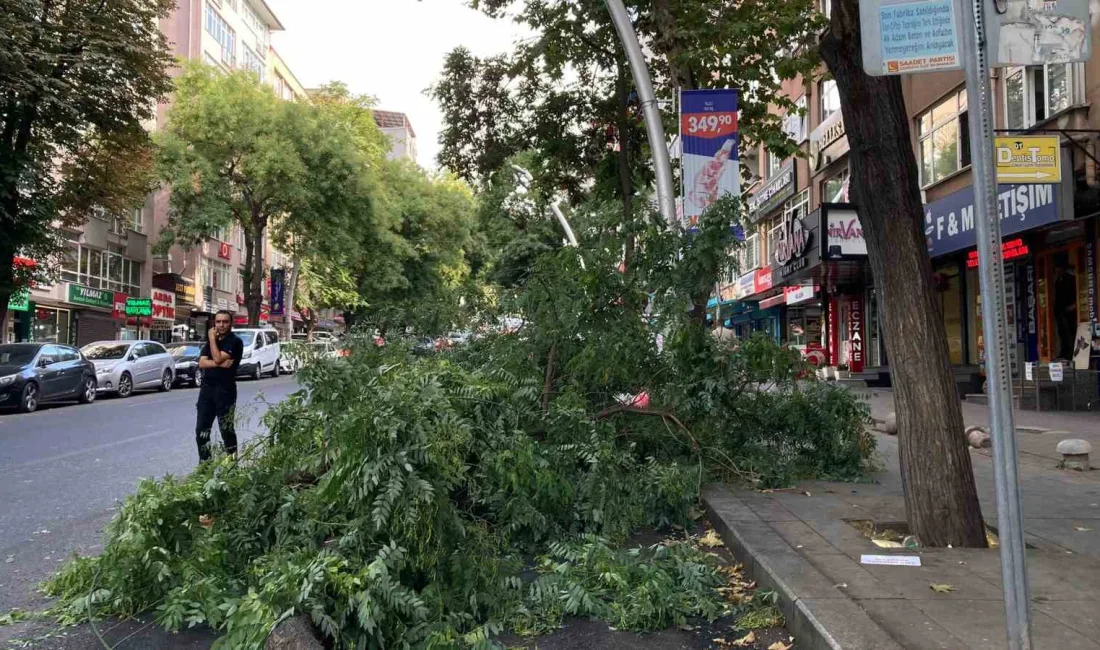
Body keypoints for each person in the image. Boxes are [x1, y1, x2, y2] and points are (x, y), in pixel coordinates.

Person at [195, 310, 244, 461]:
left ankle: (232, 465)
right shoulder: (211, 342)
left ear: (231, 323)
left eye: (225, 322)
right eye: (218, 322)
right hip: (207, 390)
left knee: (226, 430)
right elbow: (202, 363)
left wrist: (212, 340)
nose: (221, 325)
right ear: (214, 323)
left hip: (225, 391)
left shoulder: (234, 341)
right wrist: (220, 364)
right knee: (201, 431)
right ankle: (205, 464)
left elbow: (216, 358)